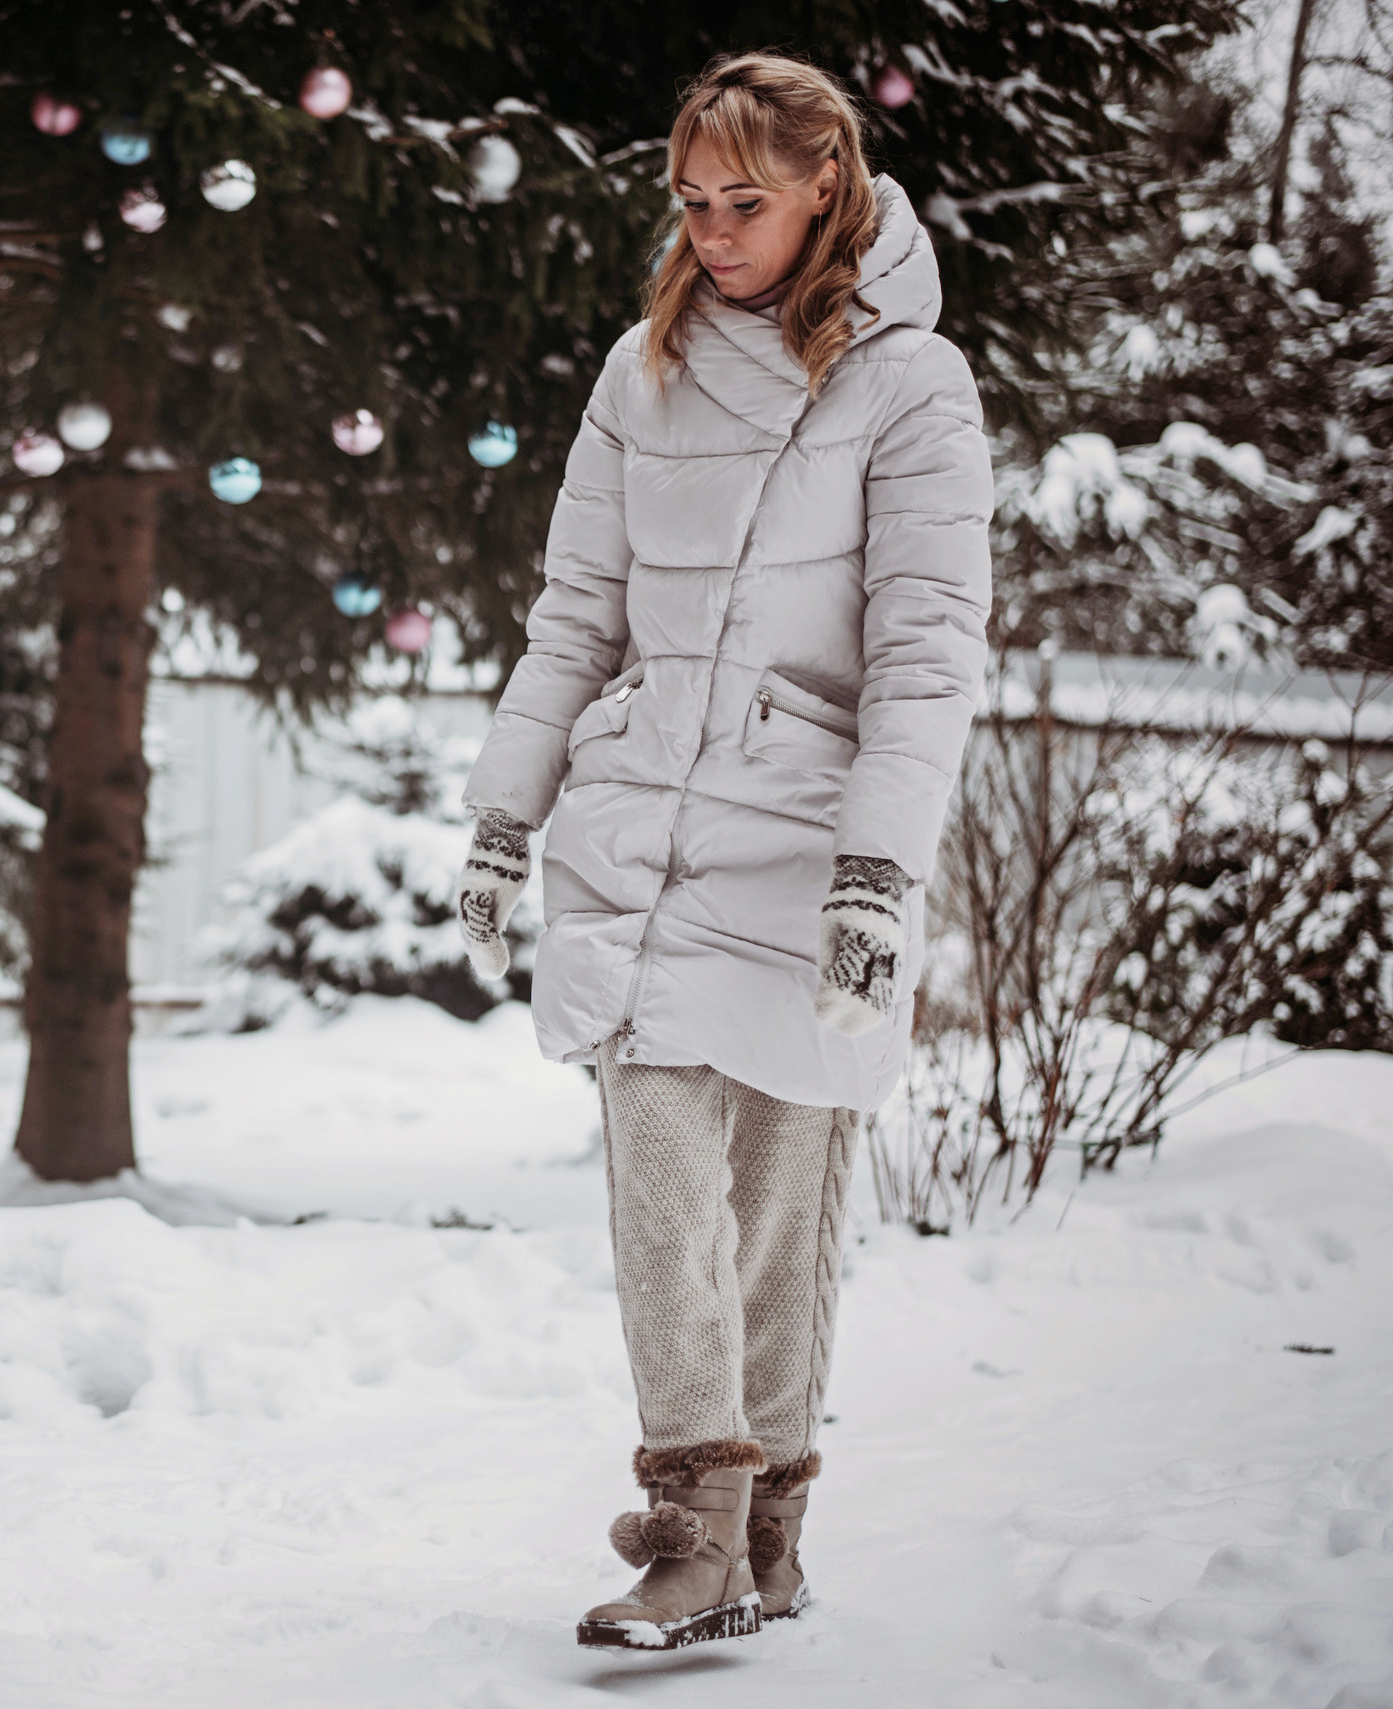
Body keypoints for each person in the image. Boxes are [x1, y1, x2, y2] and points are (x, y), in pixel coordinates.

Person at [454, 54, 992, 1651]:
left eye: (743, 202)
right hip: (639, 831)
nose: (712, 230)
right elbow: (575, 615)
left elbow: (927, 651)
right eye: (690, 201)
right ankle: (688, 1528)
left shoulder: (913, 384)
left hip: (807, 841)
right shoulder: (646, 365)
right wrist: (506, 809)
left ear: (829, 180)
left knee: (783, 1197)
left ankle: (772, 1536)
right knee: (660, 1183)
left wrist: (879, 871)